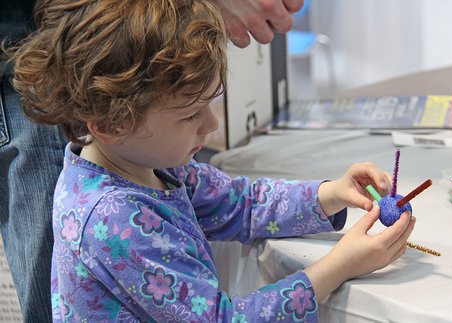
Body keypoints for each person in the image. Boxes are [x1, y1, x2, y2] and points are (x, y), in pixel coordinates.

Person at [7, 0, 416, 321]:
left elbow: (240, 202)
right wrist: (338, 267)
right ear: (110, 123)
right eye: (190, 114)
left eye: (209, 103)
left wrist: (330, 194)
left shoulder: (143, 160)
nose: (210, 124)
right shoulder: (113, 220)